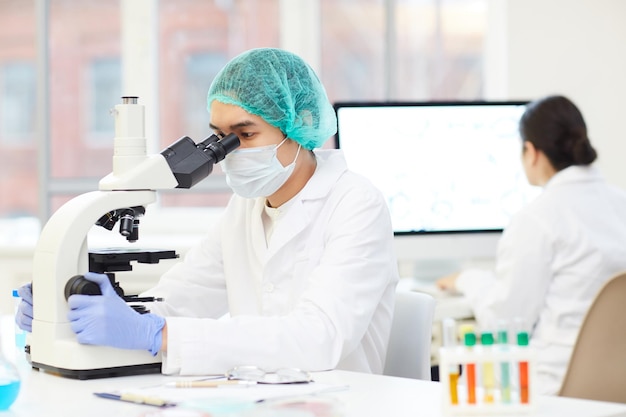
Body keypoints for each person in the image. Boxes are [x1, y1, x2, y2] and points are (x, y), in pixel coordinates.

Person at [16, 48, 399, 375]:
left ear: (301, 124)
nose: (228, 151)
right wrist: (70, 312)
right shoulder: (246, 207)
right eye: (220, 135)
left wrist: (155, 334)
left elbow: (317, 339)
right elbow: (181, 300)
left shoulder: (356, 204)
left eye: (245, 135)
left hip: (343, 401)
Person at [435, 95, 626, 395]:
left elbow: (505, 322)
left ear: (530, 151)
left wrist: (468, 279)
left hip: (554, 389)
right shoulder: (620, 203)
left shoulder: (538, 218)